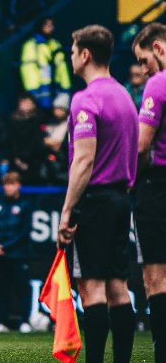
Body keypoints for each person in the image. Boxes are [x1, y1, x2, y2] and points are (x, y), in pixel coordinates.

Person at [59, 25, 138, 363]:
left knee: (91, 288)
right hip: (121, 199)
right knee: (118, 287)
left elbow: (84, 160)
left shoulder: (85, 99)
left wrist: (67, 211)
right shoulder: (125, 96)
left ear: (85, 54)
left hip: (95, 201)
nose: (70, 58)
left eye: (72, 51)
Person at [134, 22, 166, 356]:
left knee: (156, 277)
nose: (144, 70)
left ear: (158, 48)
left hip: (157, 187)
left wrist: (130, 180)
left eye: (144, 60)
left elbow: (142, 146)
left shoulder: (158, 83)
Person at [0, 172, 34, 333]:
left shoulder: (25, 205)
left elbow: (24, 232)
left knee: (22, 289)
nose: (8, 187)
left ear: (18, 185)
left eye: (12, 184)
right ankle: (2, 321)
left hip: (18, 254)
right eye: (6, 184)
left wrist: (6, 246)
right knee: (1, 289)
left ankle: (24, 321)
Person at [20, 18, 71, 109]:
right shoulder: (30, 45)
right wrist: (33, 91)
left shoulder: (55, 44)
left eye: (51, 25)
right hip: (40, 90)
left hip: (56, 88)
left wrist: (66, 88)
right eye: (47, 25)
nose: (51, 28)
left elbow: (62, 68)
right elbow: (28, 70)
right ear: (40, 26)